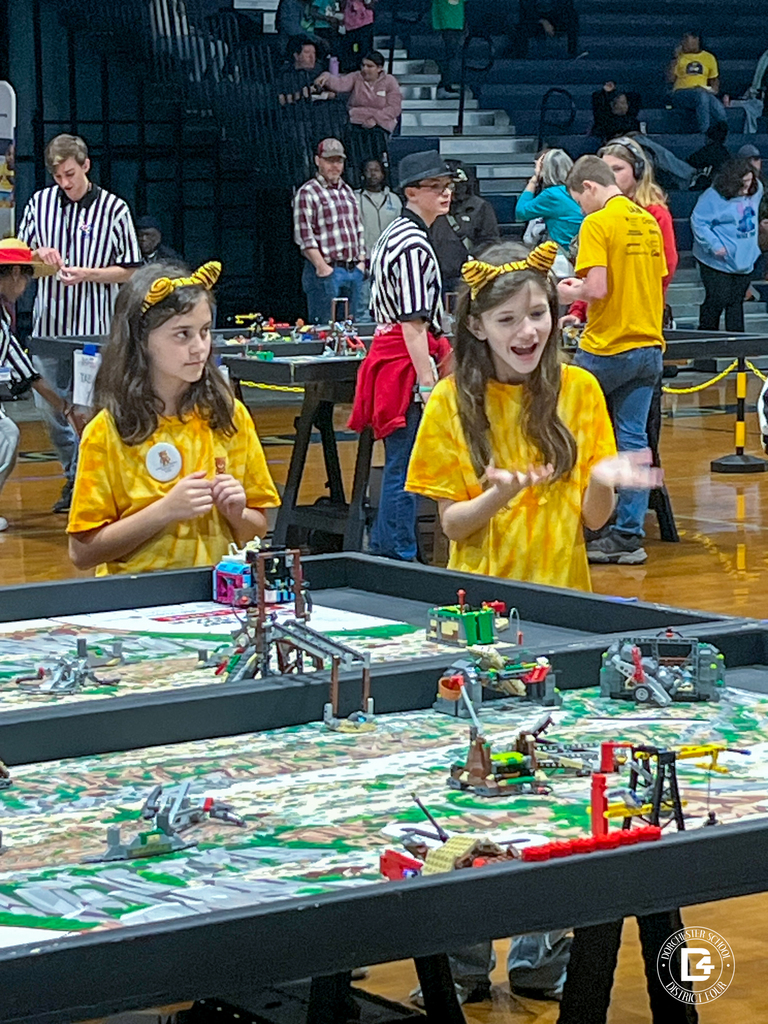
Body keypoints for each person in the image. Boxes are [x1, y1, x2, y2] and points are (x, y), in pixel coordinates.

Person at [67, 262, 280, 576]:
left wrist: (237, 514)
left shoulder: (229, 416)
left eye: (204, 331)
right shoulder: (107, 430)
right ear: (142, 339)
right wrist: (165, 511)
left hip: (218, 593)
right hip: (139, 597)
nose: (199, 348)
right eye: (182, 334)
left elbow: (256, 530)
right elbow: (82, 553)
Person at [17, 133, 142, 513]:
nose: (65, 183)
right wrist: (38, 253)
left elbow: (131, 270)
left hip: (95, 329)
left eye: (70, 174)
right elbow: (21, 258)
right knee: (49, 409)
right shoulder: (39, 203)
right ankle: (74, 473)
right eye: (58, 177)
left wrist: (89, 274)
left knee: (92, 410)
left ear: (86, 166)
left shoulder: (114, 209)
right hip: (49, 326)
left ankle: (91, 481)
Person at [557, 156, 667, 565]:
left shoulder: (597, 223)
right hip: (648, 346)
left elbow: (598, 288)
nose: (580, 208)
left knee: (561, 427)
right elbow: (657, 279)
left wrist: (568, 292)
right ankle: (627, 536)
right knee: (633, 443)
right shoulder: (648, 220)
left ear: (588, 187)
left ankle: (566, 522)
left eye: (578, 200)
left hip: (607, 347)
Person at [348, 150, 453, 561]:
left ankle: (388, 546)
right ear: (411, 192)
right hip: (404, 360)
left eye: (447, 186)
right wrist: (427, 383)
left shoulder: (397, 232)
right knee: (406, 465)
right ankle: (398, 553)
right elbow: (413, 323)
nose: (445, 193)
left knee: (401, 460)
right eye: (435, 186)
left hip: (396, 352)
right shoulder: (412, 244)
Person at [0, 239, 88, 532]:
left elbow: (24, 369)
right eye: (27, 277)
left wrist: (65, 408)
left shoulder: (3, 314)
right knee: (6, 435)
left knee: (7, 434)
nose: (27, 286)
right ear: (15, 272)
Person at [293, 138, 366, 324]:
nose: (335, 166)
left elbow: (358, 228)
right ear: (318, 161)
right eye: (329, 160)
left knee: (352, 327)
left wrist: (361, 261)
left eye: (339, 161)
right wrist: (321, 267)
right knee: (325, 328)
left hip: (353, 270)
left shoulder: (348, 192)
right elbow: (304, 236)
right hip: (326, 271)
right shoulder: (308, 192)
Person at [691, 157, 763, 332]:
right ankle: (707, 340)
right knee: (717, 300)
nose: (747, 189)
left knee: (736, 302)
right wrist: (714, 245)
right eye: (742, 184)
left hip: (745, 259)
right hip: (716, 261)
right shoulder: (712, 197)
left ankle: (737, 344)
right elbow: (699, 221)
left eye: (750, 182)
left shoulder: (756, 189)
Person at [314, 51, 402, 181]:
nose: (365, 69)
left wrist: (375, 119)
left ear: (379, 68)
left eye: (369, 66)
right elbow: (340, 84)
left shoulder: (390, 81)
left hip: (380, 126)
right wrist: (326, 76)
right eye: (363, 65)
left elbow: (394, 108)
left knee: (375, 147)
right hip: (356, 123)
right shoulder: (356, 77)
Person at [430, 162, 500, 292]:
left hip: (468, 277)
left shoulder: (480, 207)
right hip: (435, 276)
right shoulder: (431, 206)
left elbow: (490, 242)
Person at [515, 149, 583, 274]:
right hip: (583, 254)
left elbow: (521, 212)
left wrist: (534, 179)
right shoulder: (582, 189)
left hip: (564, 257)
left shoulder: (551, 195)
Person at [356, 158, 402, 320]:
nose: (372, 174)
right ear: (363, 174)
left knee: (390, 305)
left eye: (376, 170)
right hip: (364, 261)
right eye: (368, 170)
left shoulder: (394, 200)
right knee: (362, 307)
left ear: (383, 174)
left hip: (389, 261)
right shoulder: (355, 198)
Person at [668, 30, 727, 134]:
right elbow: (670, 79)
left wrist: (713, 90)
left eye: (686, 40)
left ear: (696, 40)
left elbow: (714, 80)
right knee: (701, 96)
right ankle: (705, 132)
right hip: (681, 92)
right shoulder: (679, 57)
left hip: (703, 91)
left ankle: (723, 134)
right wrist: (675, 59)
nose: (683, 43)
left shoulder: (708, 57)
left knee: (718, 107)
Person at [507, 0, 579, 58]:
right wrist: (542, 21)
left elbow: (566, 8)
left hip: (556, 17)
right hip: (534, 19)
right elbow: (526, 11)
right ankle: (520, 54)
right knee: (521, 27)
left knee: (572, 19)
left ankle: (572, 52)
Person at [432, 0, 464, 98]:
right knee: (450, 54)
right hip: (447, 22)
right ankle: (444, 86)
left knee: (453, 54)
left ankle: (446, 85)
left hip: (455, 20)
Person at [688, 122, 731, 188]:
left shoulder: (709, 150)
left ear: (708, 138)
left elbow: (692, 161)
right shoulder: (725, 152)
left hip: (714, 182)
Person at [339, 0, 375, 73]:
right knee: (349, 48)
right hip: (350, 22)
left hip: (365, 21)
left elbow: (371, 5)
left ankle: (366, 69)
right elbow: (342, 4)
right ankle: (351, 70)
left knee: (365, 48)